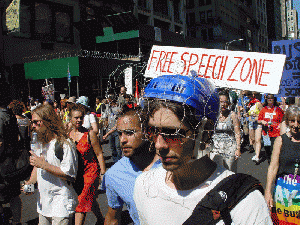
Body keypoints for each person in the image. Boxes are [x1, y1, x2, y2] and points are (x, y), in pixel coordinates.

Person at [133, 74, 272, 225]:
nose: (159, 145)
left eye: (173, 133)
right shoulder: (145, 185)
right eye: (152, 131)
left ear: (205, 131)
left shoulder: (245, 203)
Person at [103, 105, 160, 225]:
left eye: (129, 133)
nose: (122, 140)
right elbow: (112, 219)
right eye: (120, 134)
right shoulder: (114, 174)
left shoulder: (169, 164)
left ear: (148, 133)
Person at [23, 104, 78, 225]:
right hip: (44, 204)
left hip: (61, 204)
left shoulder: (64, 144)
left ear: (47, 121)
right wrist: (30, 184)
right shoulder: (40, 142)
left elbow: (70, 175)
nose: (33, 125)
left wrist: (44, 165)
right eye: (32, 122)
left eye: (36, 122)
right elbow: (36, 168)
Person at [69, 104, 106, 225]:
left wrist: (103, 173)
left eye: (81, 117)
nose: (79, 120)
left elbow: (99, 154)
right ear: (70, 118)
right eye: (76, 118)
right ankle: (100, 218)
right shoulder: (67, 135)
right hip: (76, 174)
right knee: (90, 199)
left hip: (90, 172)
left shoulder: (90, 134)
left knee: (81, 202)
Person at [265, 105, 300, 224]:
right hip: (282, 192)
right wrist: (268, 191)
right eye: (292, 121)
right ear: (287, 122)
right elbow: (273, 167)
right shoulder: (280, 140)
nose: (296, 125)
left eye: (299, 121)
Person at [0, 94, 23, 225]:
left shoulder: (1, 116)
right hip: (12, 160)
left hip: (3, 161)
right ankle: (16, 221)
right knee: (14, 195)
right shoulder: (10, 114)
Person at [209, 91, 241, 173]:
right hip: (215, 146)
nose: (223, 104)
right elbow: (209, 131)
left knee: (229, 169)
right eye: (220, 102)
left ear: (228, 103)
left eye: (225, 102)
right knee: (215, 170)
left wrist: (238, 149)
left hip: (230, 146)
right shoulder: (213, 114)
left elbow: (237, 133)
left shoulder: (233, 115)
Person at [258, 94, 284, 163]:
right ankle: (270, 162)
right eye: (268, 98)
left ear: (274, 99)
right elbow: (258, 120)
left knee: (274, 148)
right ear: (266, 100)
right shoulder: (264, 109)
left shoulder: (278, 109)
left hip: (276, 133)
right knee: (267, 149)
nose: (270, 100)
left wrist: (280, 125)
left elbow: (283, 119)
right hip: (266, 132)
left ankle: (275, 162)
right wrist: (262, 121)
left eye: (271, 98)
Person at [102, 94, 122, 163]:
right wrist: (105, 122)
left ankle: (119, 161)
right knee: (112, 147)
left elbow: (118, 121)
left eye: (108, 99)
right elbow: (105, 117)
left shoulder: (117, 108)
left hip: (116, 130)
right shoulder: (107, 108)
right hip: (109, 129)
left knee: (118, 147)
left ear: (112, 99)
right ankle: (115, 161)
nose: (107, 100)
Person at [247, 92, 263, 160]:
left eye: (249, 95)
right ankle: (256, 152)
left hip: (258, 123)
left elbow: (263, 114)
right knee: (253, 139)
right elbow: (249, 113)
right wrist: (247, 114)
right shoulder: (249, 103)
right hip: (251, 123)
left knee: (258, 139)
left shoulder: (258, 103)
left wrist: (256, 115)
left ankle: (257, 156)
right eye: (247, 95)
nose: (248, 96)